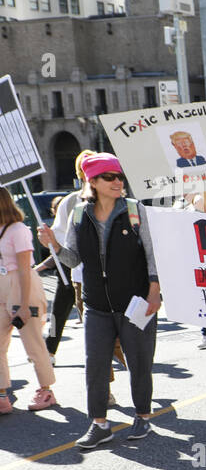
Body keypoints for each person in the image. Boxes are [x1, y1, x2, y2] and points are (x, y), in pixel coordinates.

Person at [40, 153, 161, 449]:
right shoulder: (79, 214)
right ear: (91, 181)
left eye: (119, 176)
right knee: (94, 365)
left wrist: (155, 291)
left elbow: (151, 254)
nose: (118, 182)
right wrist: (53, 245)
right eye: (109, 177)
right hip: (96, 305)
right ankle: (99, 424)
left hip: (135, 302)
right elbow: (73, 259)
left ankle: (143, 416)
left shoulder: (134, 211)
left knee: (140, 362)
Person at [0, 187, 57, 413]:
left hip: (23, 286)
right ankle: (2, 393)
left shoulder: (18, 229)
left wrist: (23, 305)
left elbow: (24, 269)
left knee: (32, 342)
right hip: (3, 285)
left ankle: (46, 390)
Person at [39, 148, 95, 357]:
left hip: (96, 267)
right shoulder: (71, 201)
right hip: (70, 263)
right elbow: (59, 234)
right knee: (59, 311)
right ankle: (49, 350)